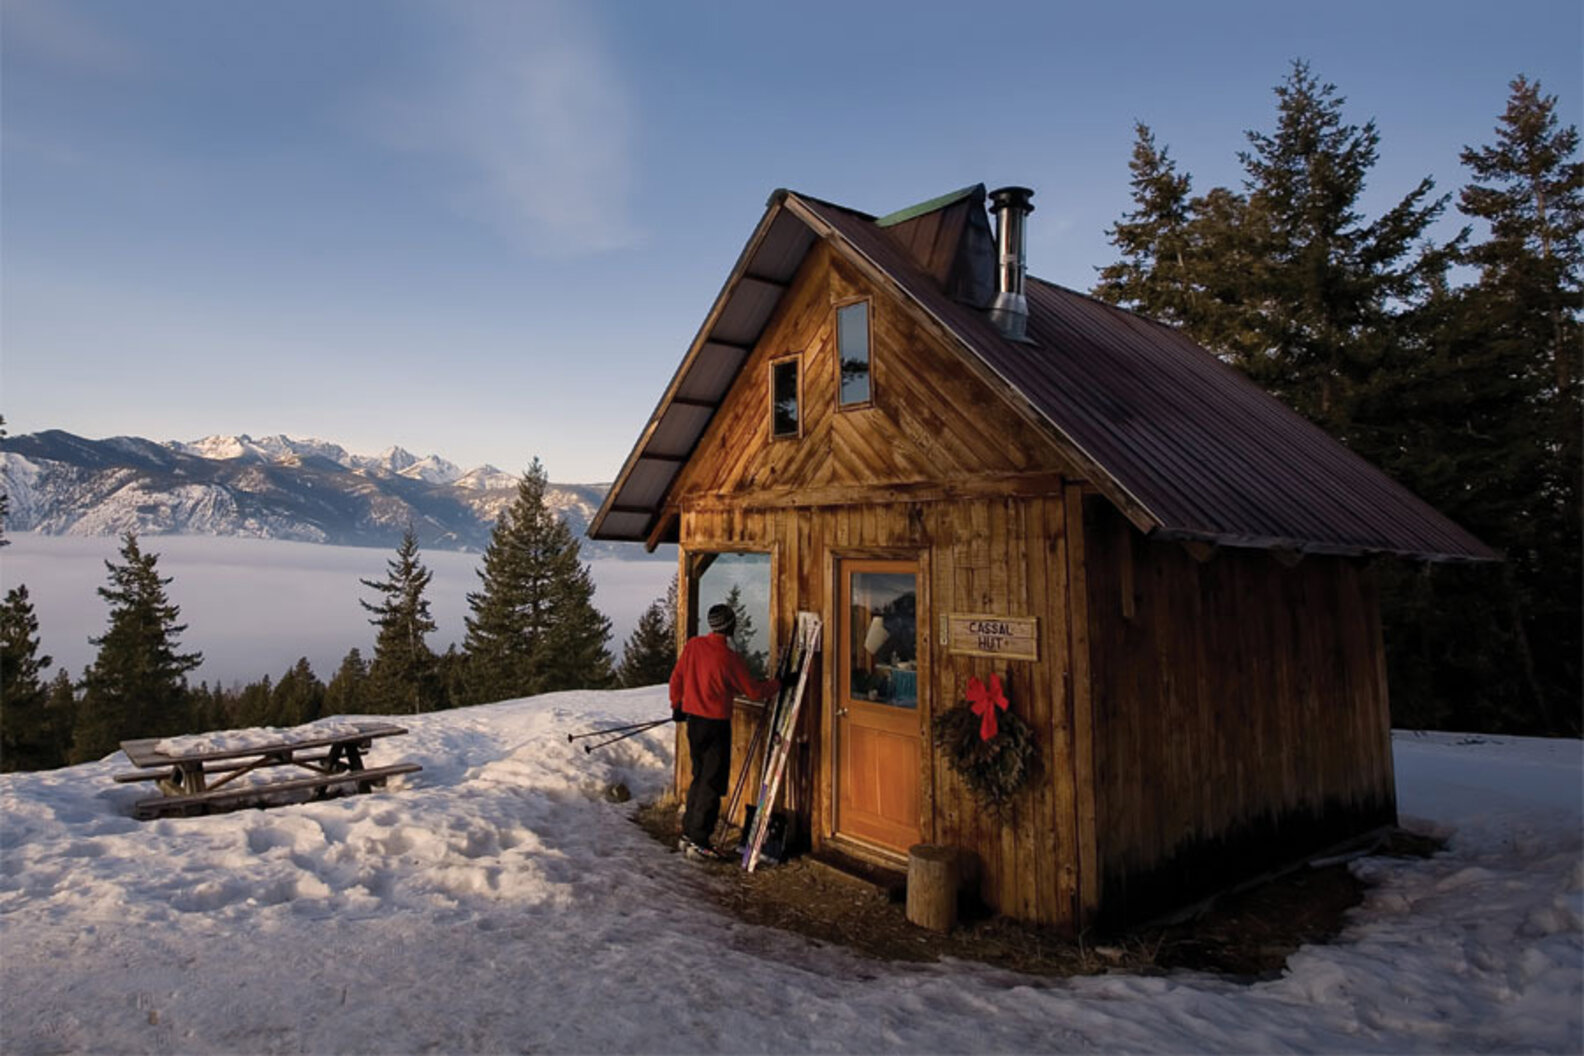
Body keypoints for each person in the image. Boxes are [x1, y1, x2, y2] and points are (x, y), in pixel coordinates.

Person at [669, 603, 779, 861]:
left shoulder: (694, 646)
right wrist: (780, 683)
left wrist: (677, 705)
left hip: (694, 722)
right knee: (712, 782)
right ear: (730, 626)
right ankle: (699, 839)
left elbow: (677, 678)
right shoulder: (729, 658)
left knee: (699, 776)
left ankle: (689, 832)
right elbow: (753, 692)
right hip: (716, 725)